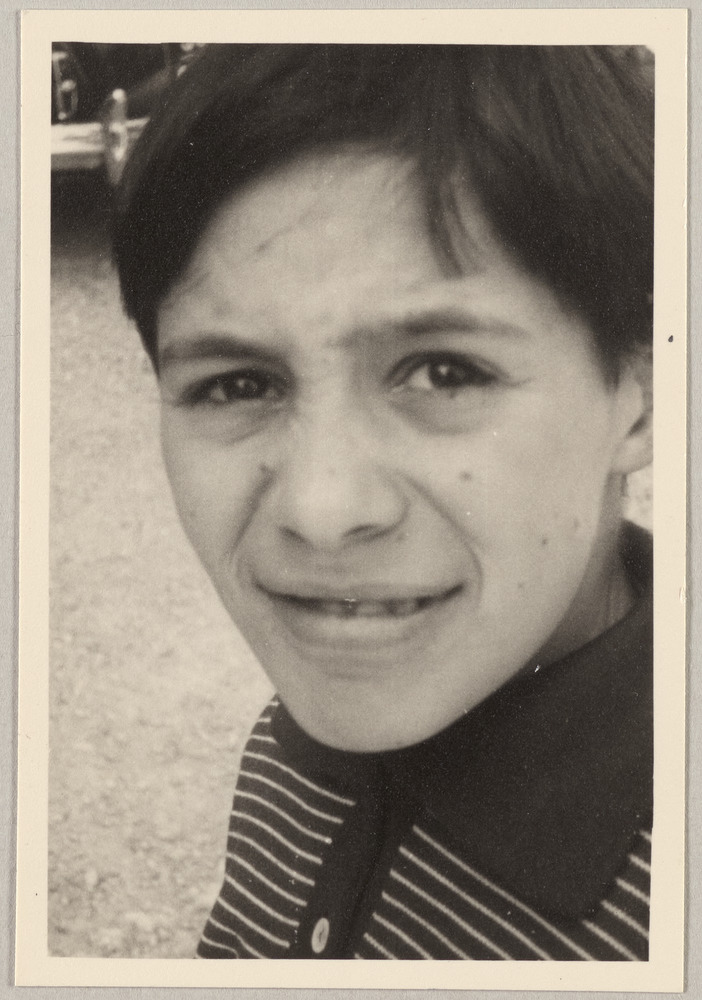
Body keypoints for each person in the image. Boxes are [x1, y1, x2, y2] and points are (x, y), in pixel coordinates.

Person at [112, 44, 654, 960]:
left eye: (445, 372)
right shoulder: (301, 742)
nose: (321, 510)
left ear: (643, 399)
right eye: (238, 384)